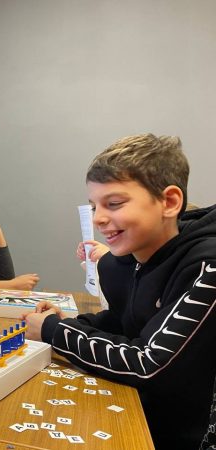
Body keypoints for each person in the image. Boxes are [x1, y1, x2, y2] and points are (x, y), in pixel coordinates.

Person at [24, 134, 216, 450]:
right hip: (133, 413)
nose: (98, 218)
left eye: (113, 204)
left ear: (169, 202)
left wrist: (54, 332)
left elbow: (150, 363)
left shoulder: (207, 265)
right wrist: (68, 323)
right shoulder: (119, 263)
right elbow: (122, 322)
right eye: (94, 206)